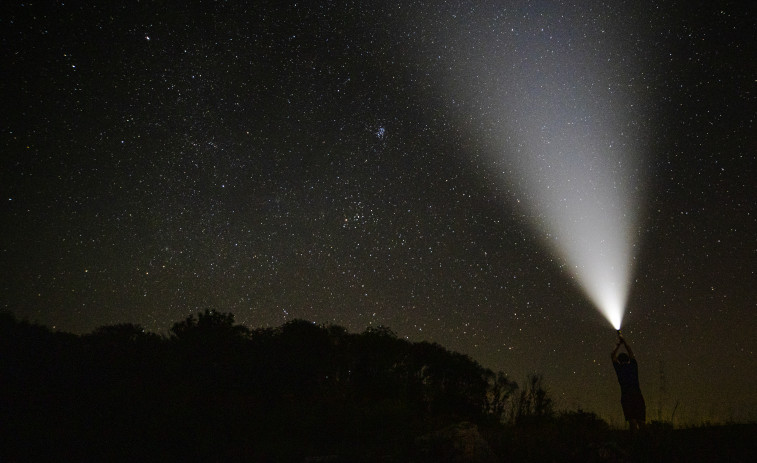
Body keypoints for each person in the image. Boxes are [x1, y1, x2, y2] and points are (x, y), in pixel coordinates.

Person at [611, 333, 646, 433]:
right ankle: (647, 445)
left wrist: (618, 345)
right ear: (628, 360)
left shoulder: (619, 369)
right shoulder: (633, 366)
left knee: (632, 423)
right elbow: (631, 352)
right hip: (637, 395)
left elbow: (612, 355)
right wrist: (624, 342)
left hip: (626, 397)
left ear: (619, 360)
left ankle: (634, 445)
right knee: (641, 422)